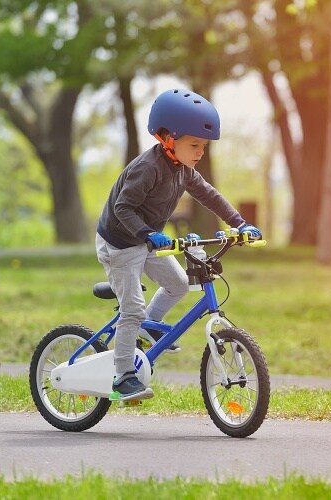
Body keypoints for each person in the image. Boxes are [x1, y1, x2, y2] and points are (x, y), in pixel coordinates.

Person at [95, 88, 261, 401]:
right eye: (194, 144)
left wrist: (239, 223)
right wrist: (147, 234)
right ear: (168, 138)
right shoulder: (147, 168)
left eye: (204, 146)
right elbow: (123, 208)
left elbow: (210, 196)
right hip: (119, 243)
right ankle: (122, 376)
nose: (200, 151)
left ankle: (147, 329)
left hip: (146, 240)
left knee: (179, 284)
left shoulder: (184, 171)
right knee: (132, 308)